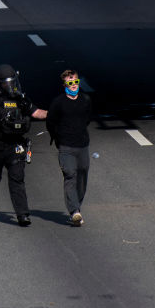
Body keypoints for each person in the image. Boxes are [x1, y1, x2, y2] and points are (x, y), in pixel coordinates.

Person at [0, 64, 48, 226]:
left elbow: (36, 112)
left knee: (17, 179)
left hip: (15, 146)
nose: (10, 86)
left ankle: (23, 215)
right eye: (6, 83)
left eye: (12, 82)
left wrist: (54, 113)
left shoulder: (20, 99)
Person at [46, 69, 92, 227]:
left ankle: (76, 205)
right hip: (65, 146)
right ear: (65, 84)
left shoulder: (85, 100)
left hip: (82, 145)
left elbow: (88, 118)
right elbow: (50, 122)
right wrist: (58, 138)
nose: (73, 85)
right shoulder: (58, 103)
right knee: (70, 175)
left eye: (76, 82)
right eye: (70, 83)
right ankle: (74, 211)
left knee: (82, 175)